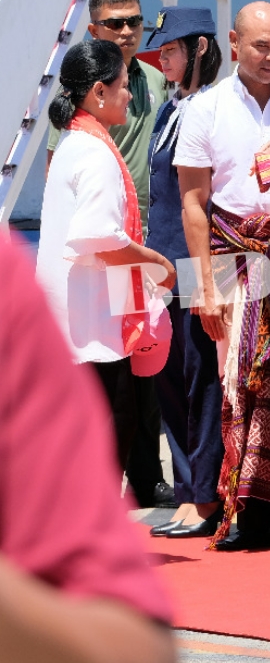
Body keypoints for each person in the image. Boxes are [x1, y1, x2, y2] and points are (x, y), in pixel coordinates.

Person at [173, 1, 270, 551]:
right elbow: (192, 205)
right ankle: (253, 518)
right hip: (228, 258)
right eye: (261, 46)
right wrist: (201, 291)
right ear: (234, 42)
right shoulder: (202, 110)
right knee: (237, 382)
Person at [0, 239, 175, 663]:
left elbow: (136, 642)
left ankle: (163, 485)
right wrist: (154, 262)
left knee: (137, 414)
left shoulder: (9, 289)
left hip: (104, 325)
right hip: (102, 325)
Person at [48, 0, 174, 511]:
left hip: (98, 297)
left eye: (136, 23)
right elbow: (97, 236)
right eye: (121, 87)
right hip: (98, 307)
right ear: (98, 92)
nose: (130, 93)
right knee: (110, 421)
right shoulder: (93, 152)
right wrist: (156, 262)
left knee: (124, 404)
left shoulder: (81, 138)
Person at [143, 7, 227, 539]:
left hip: (198, 261)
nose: (163, 57)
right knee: (168, 380)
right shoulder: (167, 111)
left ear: (198, 48)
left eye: (172, 49)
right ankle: (186, 488)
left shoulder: (213, 108)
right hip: (161, 262)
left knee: (203, 379)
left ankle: (205, 494)